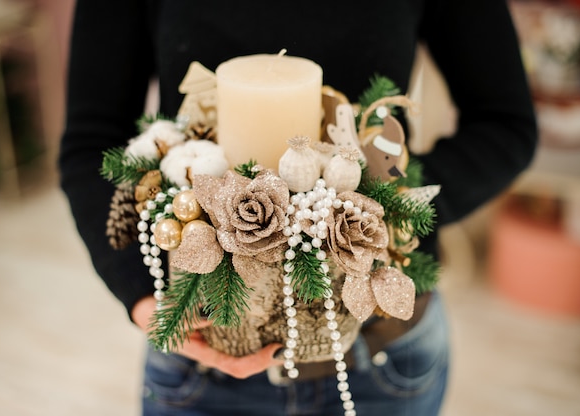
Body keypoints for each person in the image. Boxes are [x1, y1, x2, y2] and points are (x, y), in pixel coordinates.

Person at [58, 1, 537, 415]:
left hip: (383, 363)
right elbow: (90, 141)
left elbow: (505, 126)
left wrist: (379, 209)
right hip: (201, 368)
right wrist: (142, 296)